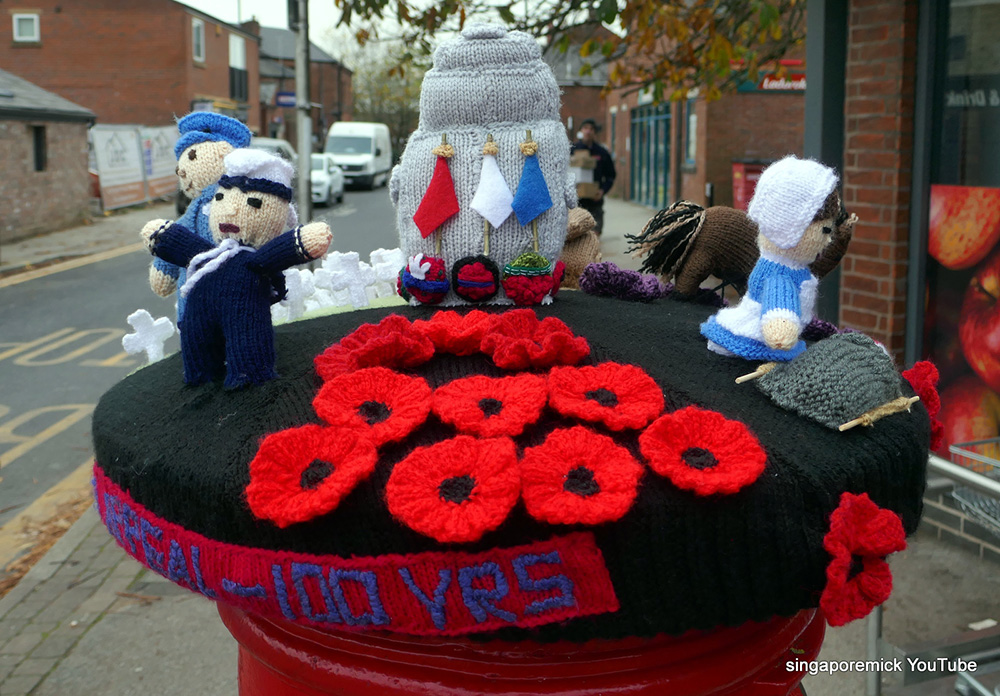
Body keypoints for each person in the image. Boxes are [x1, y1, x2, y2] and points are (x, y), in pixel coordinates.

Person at [570, 118, 616, 235]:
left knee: (595, 234)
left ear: (595, 132)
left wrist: (602, 191)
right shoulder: (572, 150)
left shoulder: (601, 152)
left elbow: (611, 175)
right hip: (576, 201)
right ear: (581, 130)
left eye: (591, 129)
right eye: (585, 128)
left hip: (595, 200)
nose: (588, 131)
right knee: (577, 235)